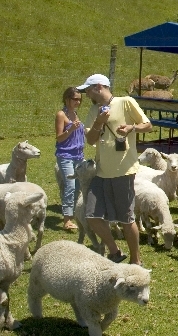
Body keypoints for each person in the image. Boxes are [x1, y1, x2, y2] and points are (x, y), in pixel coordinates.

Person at [79, 74, 152, 266]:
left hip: (123, 171)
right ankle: (115, 251)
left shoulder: (126, 102)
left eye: (88, 90)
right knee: (92, 215)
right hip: (101, 171)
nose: (87, 95)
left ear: (99, 87)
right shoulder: (94, 110)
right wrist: (99, 122)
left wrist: (131, 128)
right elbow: (91, 140)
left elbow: (148, 125)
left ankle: (136, 261)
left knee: (126, 219)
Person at [55, 87, 85, 231]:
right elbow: (59, 138)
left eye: (79, 100)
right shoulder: (61, 114)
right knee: (70, 185)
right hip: (65, 156)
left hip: (78, 156)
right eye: (75, 99)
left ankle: (74, 215)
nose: (78, 102)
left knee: (78, 186)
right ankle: (67, 220)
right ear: (67, 99)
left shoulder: (75, 114)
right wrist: (71, 129)